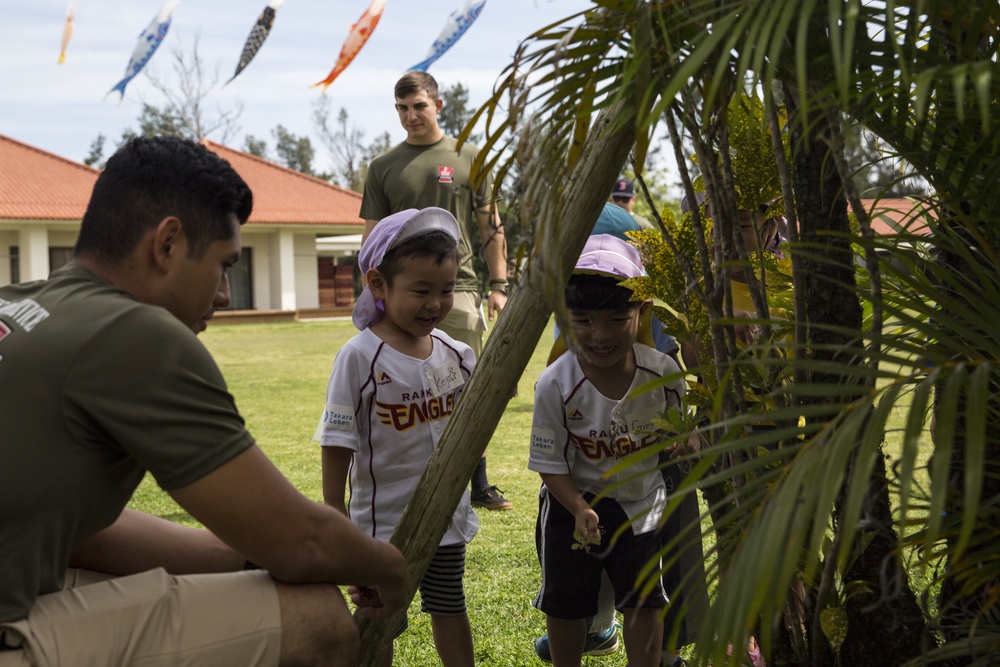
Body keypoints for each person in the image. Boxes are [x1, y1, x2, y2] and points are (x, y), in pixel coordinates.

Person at [0, 136, 409, 667]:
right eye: (223, 265)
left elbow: (82, 537)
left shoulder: (23, 302)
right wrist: (389, 566)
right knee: (316, 618)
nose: (223, 294)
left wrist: (239, 558)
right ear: (167, 243)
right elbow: (299, 542)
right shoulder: (131, 332)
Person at [315, 207, 478, 667]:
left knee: (449, 605)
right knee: (380, 617)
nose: (435, 303)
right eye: (421, 291)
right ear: (378, 285)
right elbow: (337, 438)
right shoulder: (360, 357)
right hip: (381, 527)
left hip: (447, 518)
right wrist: (335, 510)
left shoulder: (458, 354)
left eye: (446, 290)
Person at [529, 234, 685, 667]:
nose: (600, 335)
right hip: (570, 506)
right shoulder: (555, 384)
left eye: (617, 319)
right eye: (583, 320)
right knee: (565, 603)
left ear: (641, 313)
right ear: (566, 318)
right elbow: (549, 462)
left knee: (644, 601)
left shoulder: (664, 374)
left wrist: (687, 438)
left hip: (642, 505)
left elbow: (677, 433)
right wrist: (578, 507)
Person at [360, 71, 512, 511]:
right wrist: (373, 294)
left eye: (418, 106)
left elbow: (491, 226)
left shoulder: (469, 157)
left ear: (438, 105)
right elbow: (371, 238)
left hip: (459, 290)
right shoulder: (383, 167)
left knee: (468, 389)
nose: (410, 116)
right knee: (400, 387)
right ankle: (408, 477)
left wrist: (498, 285)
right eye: (402, 109)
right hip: (399, 295)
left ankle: (477, 483)